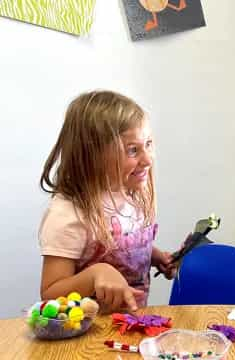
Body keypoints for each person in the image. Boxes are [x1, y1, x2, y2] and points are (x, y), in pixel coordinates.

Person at [39, 90, 175, 313]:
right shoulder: (69, 214)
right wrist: (95, 274)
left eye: (148, 144)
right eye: (132, 150)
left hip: (130, 324)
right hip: (87, 336)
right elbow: (50, 292)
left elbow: (119, 246)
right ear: (92, 155)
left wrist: (155, 255)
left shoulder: (130, 195)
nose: (148, 159)